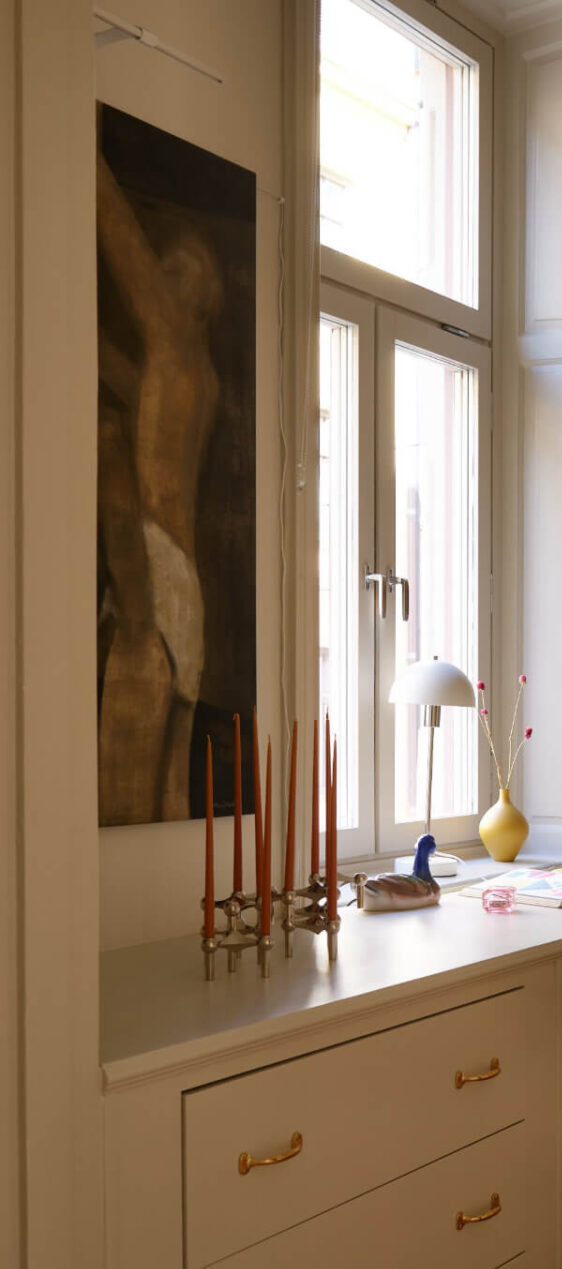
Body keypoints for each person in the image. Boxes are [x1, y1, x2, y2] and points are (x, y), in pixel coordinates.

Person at [96, 146, 222, 824]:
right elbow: (111, 368)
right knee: (167, 796)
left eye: (171, 270)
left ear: (200, 294)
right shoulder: (186, 378)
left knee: (120, 789)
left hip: (156, 573)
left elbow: (116, 236)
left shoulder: (174, 349)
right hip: (184, 590)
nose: (157, 283)